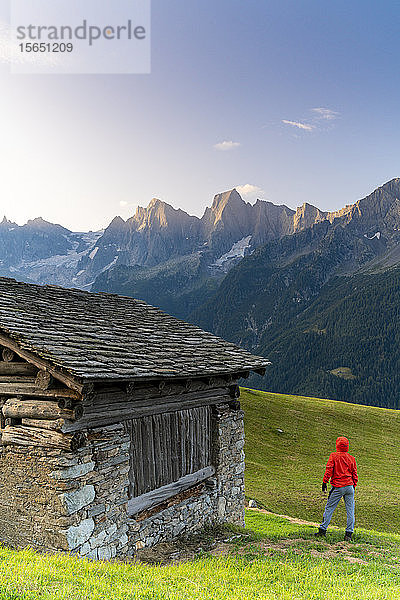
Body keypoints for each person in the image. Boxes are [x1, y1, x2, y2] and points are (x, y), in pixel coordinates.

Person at [315, 436, 358, 541]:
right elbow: (354, 473)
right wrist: (353, 485)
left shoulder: (333, 456)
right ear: (347, 446)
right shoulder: (352, 458)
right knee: (350, 510)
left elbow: (329, 470)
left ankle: (322, 530)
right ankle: (348, 534)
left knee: (330, 508)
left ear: (337, 445)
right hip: (349, 487)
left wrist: (325, 481)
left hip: (338, 487)